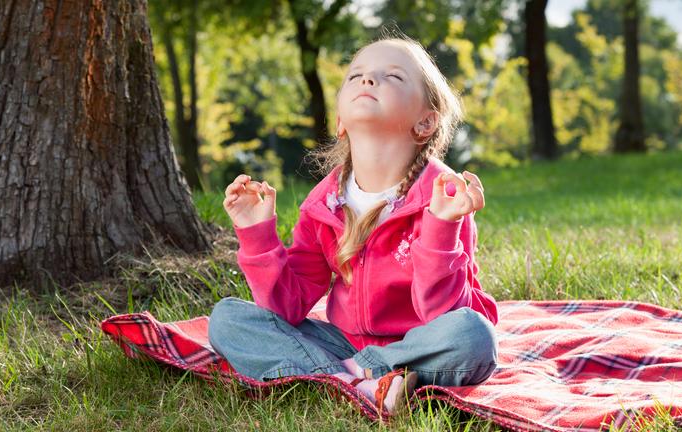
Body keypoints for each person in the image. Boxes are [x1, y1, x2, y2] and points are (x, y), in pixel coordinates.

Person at [208, 35, 499, 416]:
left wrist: (442, 225)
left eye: (392, 76)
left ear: (425, 121)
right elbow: (288, 307)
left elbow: (442, 315)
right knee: (227, 319)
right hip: (342, 345)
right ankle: (357, 383)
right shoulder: (322, 203)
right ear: (341, 120)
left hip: (423, 344)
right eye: (356, 75)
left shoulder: (444, 196)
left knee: (474, 335)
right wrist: (257, 235)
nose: (367, 80)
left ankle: (340, 379)